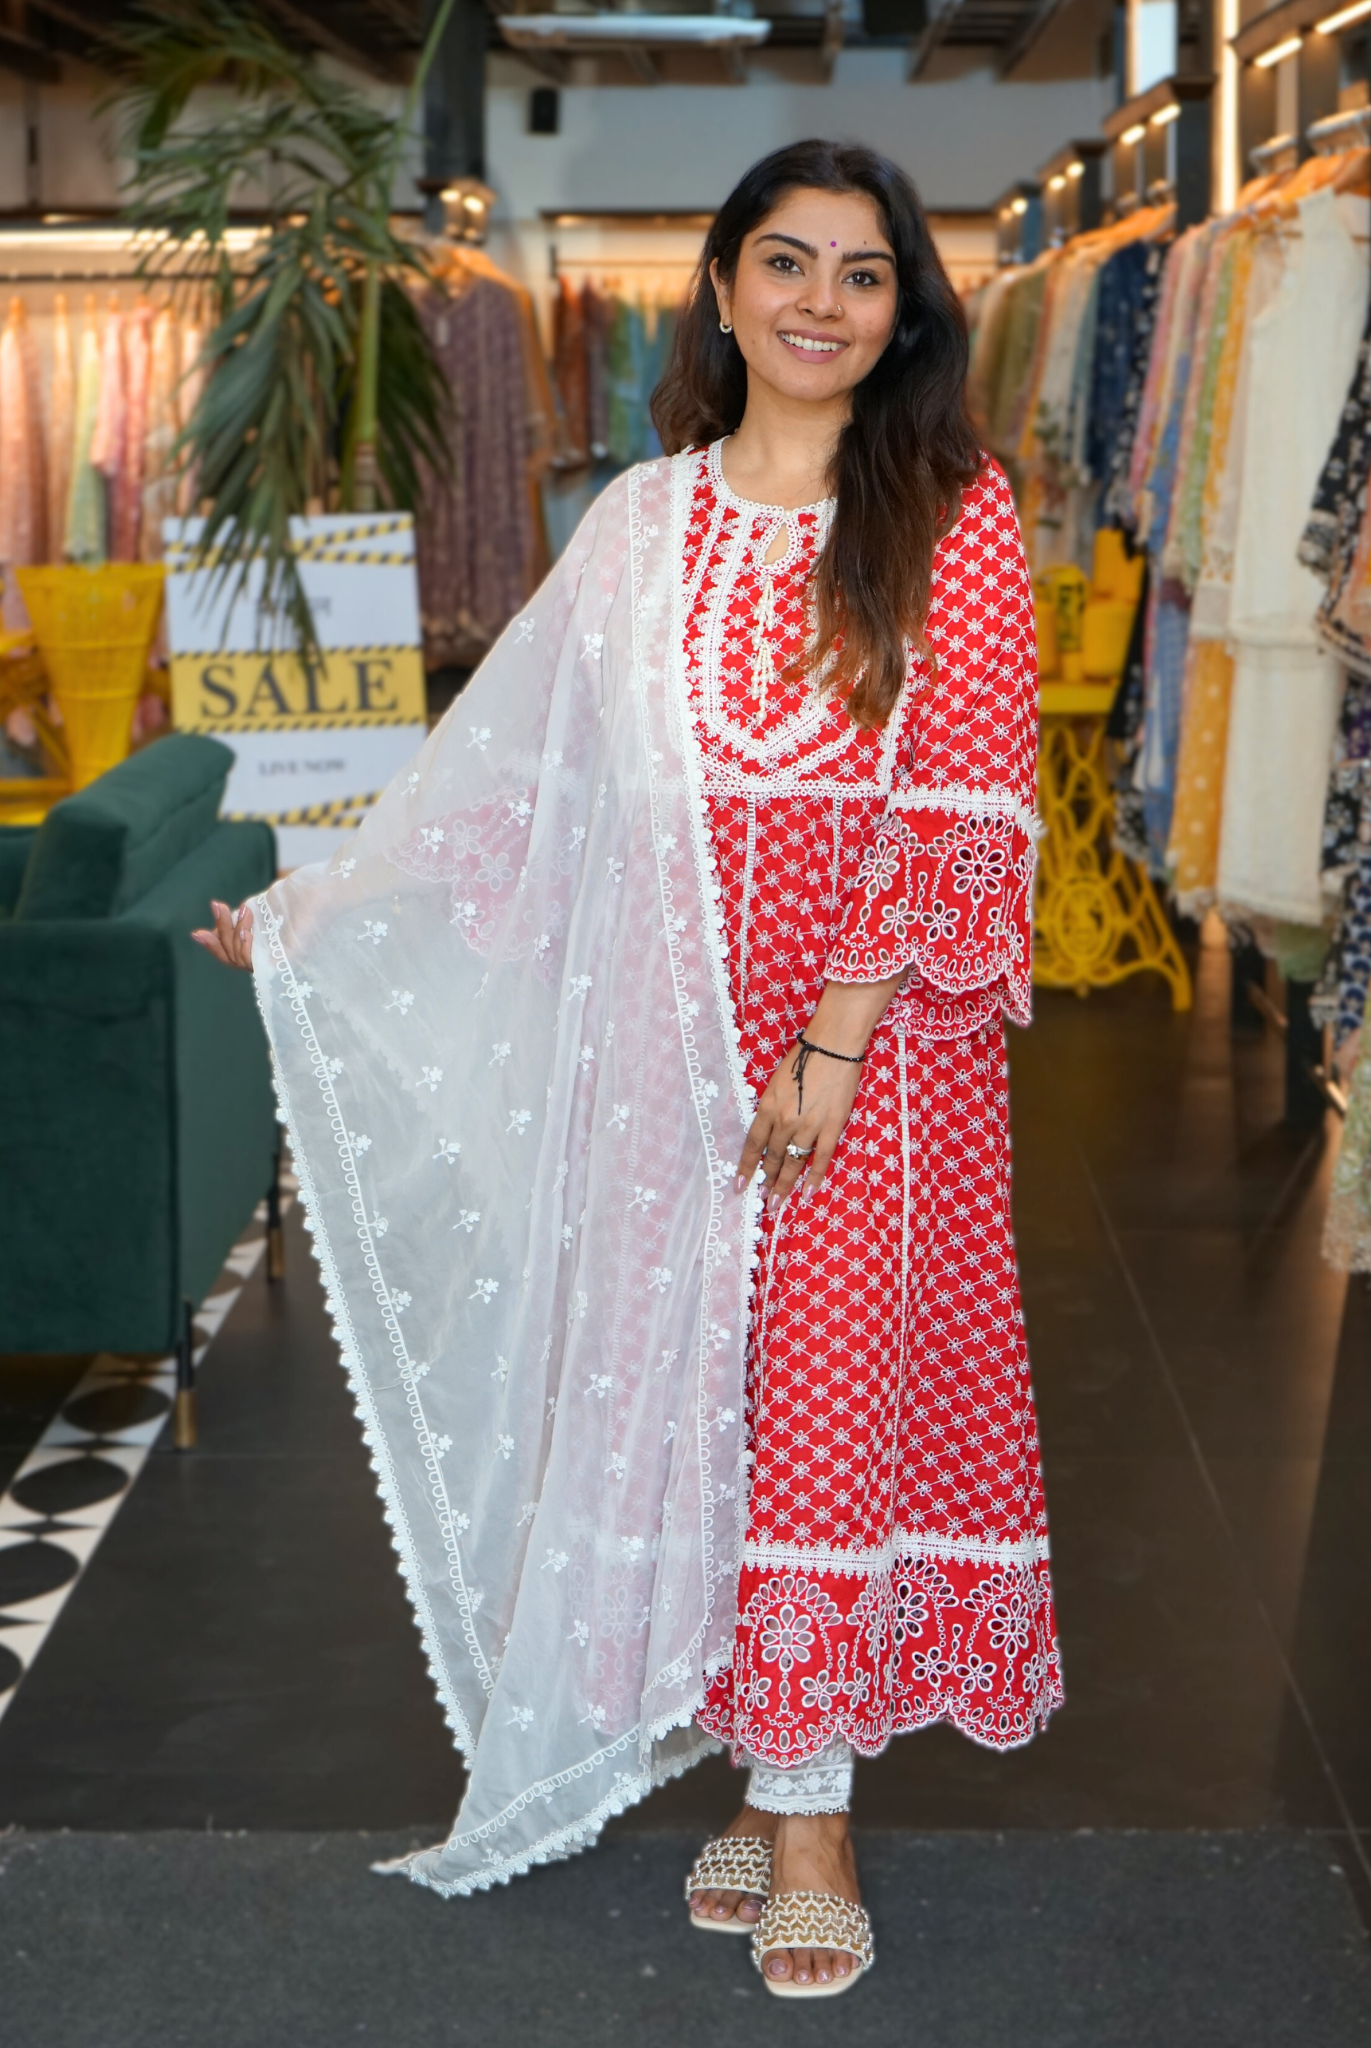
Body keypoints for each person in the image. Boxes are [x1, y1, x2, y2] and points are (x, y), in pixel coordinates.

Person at [194, 138, 1061, 2000]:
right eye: (787, 263)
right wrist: (323, 911)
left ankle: (813, 1812)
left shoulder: (953, 507)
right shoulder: (640, 525)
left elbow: (964, 792)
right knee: (704, 1399)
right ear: (728, 288)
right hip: (660, 1036)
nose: (822, 303)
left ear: (905, 310)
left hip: (874, 1041)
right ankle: (770, 1764)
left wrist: (834, 1030)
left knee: (829, 1393)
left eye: (862, 274)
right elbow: (521, 789)